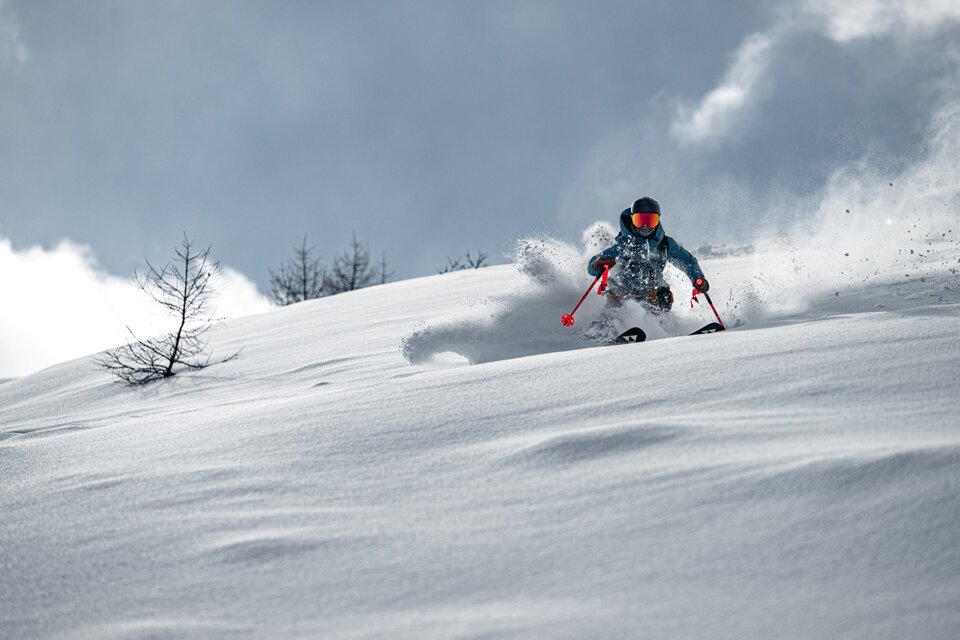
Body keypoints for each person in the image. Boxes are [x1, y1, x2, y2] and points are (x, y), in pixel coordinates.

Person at [584, 197, 709, 338]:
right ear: (632, 220)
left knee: (664, 297)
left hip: (651, 290)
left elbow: (688, 261)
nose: (645, 226)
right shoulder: (624, 244)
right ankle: (598, 334)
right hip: (621, 291)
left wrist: (697, 277)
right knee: (614, 313)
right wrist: (597, 264)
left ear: (658, 220)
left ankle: (667, 332)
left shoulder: (664, 244)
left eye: (650, 221)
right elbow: (592, 266)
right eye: (640, 220)